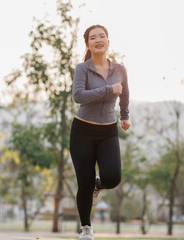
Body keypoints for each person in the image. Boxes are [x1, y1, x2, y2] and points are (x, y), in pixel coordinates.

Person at [69, 24, 130, 240]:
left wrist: (124, 115)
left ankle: (99, 184)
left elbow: (124, 93)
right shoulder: (82, 68)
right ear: (88, 44)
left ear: (108, 41)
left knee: (113, 178)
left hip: (108, 132)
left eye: (102, 36)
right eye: (93, 37)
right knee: (83, 184)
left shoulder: (119, 70)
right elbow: (78, 96)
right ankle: (86, 228)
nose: (98, 39)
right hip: (82, 131)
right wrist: (107, 89)